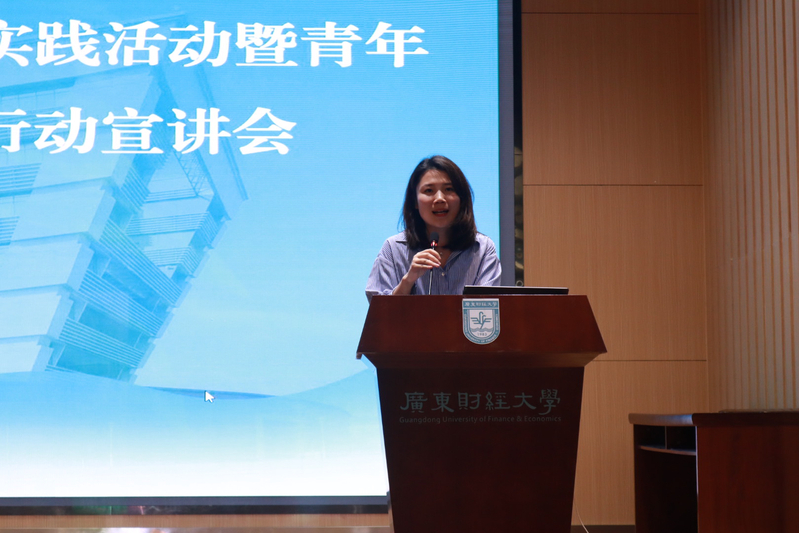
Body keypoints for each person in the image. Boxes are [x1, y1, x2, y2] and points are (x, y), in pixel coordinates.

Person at [366, 155, 501, 301]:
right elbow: (378, 310)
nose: (440, 198)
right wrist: (408, 280)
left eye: (449, 189)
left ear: (461, 198)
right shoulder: (393, 249)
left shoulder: (482, 248)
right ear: (415, 201)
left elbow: (490, 308)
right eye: (429, 191)